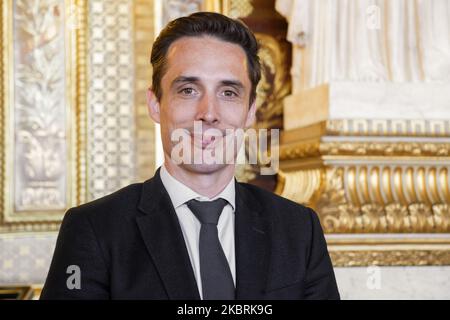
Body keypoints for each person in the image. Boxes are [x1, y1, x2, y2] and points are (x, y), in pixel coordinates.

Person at [41, 12, 339, 300]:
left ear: (250, 111)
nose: (208, 113)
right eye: (188, 90)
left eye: (228, 93)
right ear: (156, 104)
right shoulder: (93, 229)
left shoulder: (299, 229)